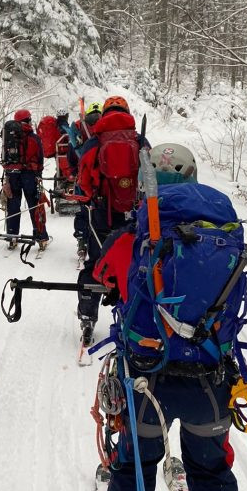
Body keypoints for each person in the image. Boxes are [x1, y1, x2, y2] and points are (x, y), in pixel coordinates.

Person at [94, 143, 247, 491]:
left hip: (147, 381)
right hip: (210, 384)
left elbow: (104, 279)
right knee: (211, 470)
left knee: (134, 467)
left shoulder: (132, 239)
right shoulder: (225, 237)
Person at [75, 96, 142, 345]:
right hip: (133, 214)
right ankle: (131, 316)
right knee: (133, 264)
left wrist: (89, 198)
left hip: (101, 211)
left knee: (97, 262)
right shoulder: (139, 140)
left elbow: (83, 179)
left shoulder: (95, 141)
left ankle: (87, 316)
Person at [1, 109, 49, 250]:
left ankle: (12, 236)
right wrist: (38, 173)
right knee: (34, 205)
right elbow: (40, 157)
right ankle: (41, 237)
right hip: (29, 174)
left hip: (12, 174)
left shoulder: (8, 137)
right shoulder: (34, 138)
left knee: (13, 206)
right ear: (28, 120)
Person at [72, 102, 102, 257]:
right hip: (103, 182)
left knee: (84, 211)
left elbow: (73, 154)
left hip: (84, 179)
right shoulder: (106, 133)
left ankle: (82, 240)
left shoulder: (79, 130)